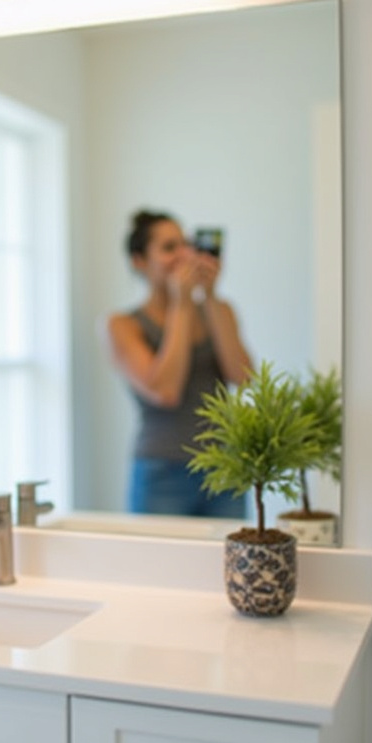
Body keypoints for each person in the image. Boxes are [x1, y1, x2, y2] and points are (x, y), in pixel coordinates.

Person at [106, 209, 253, 518]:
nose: (184, 254)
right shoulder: (122, 325)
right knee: (158, 566)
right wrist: (182, 305)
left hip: (224, 466)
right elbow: (165, 391)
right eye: (169, 248)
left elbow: (244, 378)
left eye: (185, 244)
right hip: (162, 471)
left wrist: (210, 296)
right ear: (139, 261)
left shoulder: (219, 310)